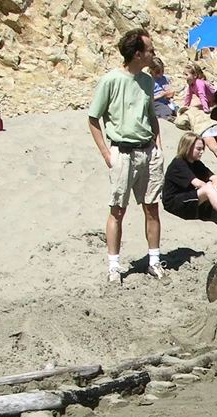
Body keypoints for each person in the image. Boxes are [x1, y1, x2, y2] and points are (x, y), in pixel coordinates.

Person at [88, 27, 165, 284]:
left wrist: (158, 146)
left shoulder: (147, 81)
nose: (154, 54)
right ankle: (114, 266)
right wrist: (106, 154)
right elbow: (93, 118)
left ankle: (154, 260)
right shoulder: (110, 80)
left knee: (152, 207)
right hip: (122, 152)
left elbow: (152, 117)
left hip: (148, 152)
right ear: (137, 53)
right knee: (117, 210)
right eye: (150, 50)